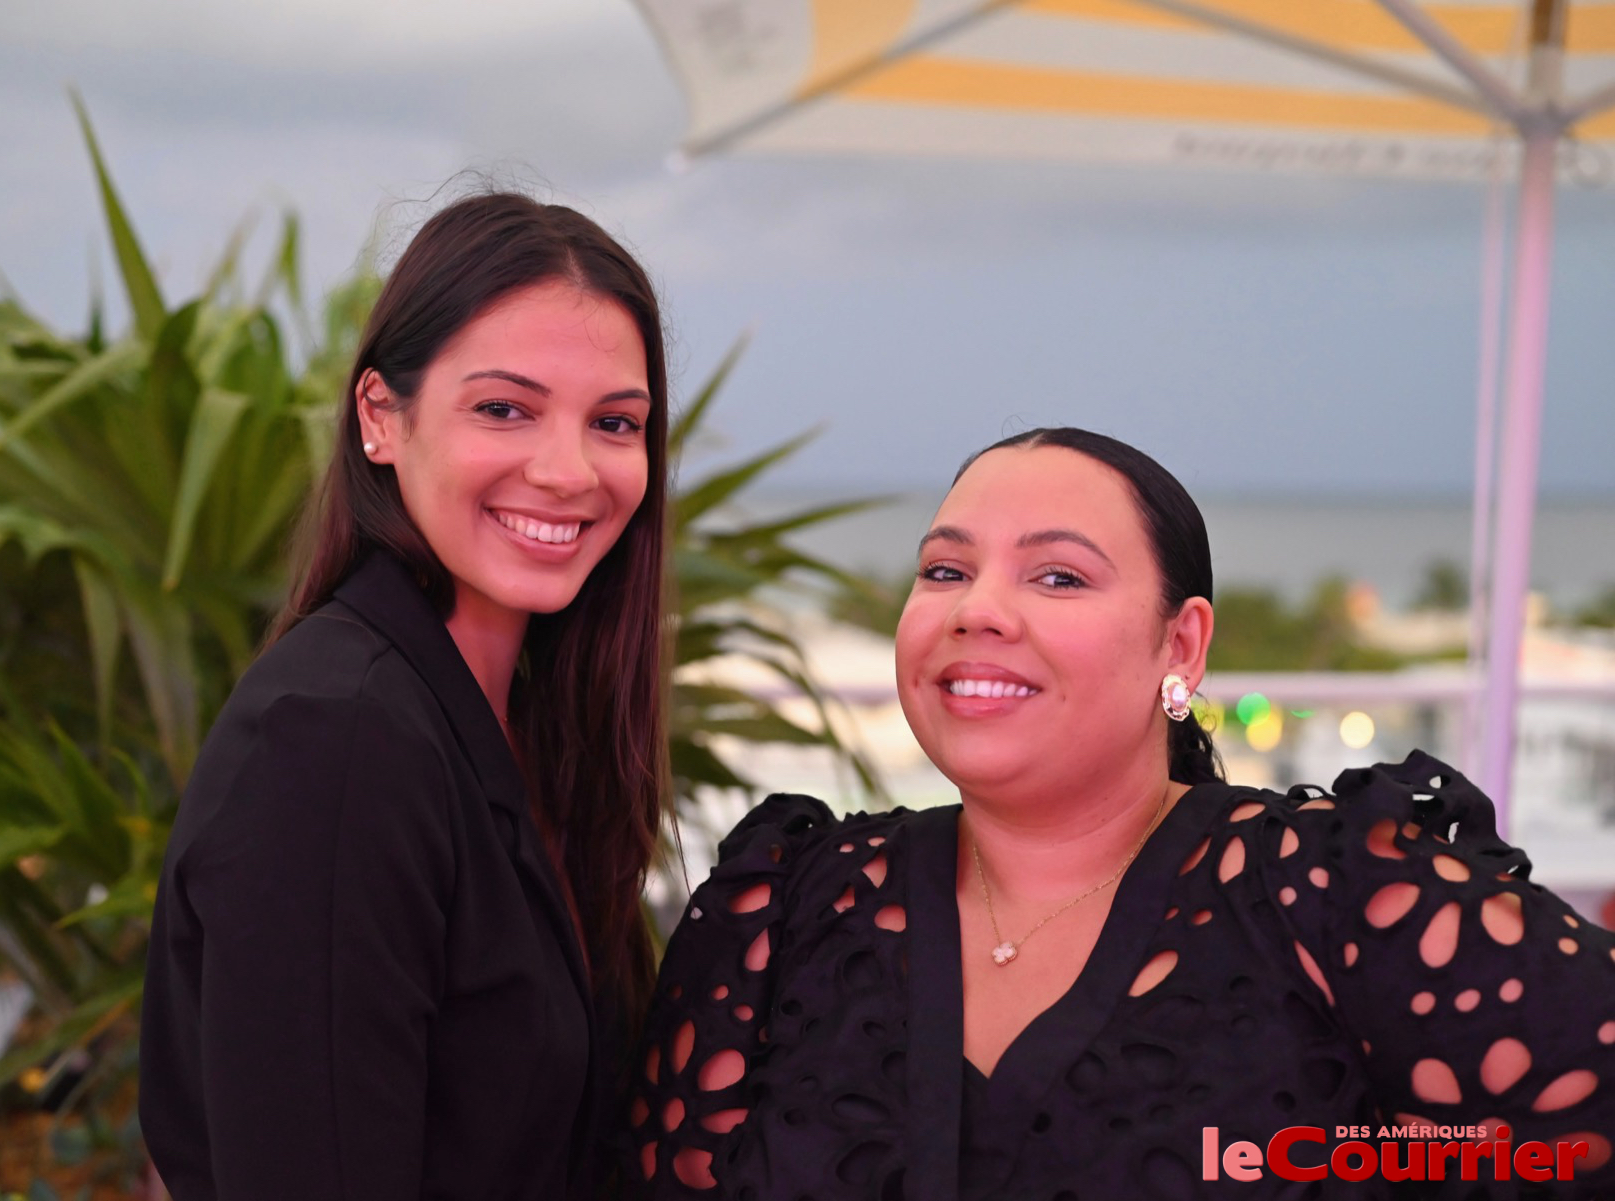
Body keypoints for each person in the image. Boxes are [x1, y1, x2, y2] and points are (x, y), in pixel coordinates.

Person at [628, 428, 1615, 1199]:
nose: (978, 608)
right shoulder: (789, 906)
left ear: (1180, 647)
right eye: (944, 570)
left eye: (1058, 575)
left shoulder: (1337, 895)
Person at [140, 192, 670, 1201]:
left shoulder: (525, 728)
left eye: (615, 422)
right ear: (381, 416)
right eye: (504, 408)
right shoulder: (337, 739)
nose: (568, 471)